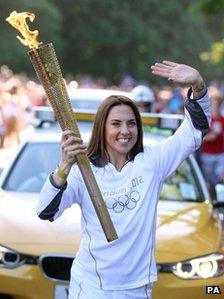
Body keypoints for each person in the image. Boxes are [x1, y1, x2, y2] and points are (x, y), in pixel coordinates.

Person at [37, 61, 210, 299]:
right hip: (91, 287)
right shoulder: (83, 171)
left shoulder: (151, 163)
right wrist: (64, 166)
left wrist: (198, 87)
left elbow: (194, 133)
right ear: (102, 128)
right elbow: (46, 212)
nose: (125, 131)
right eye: (116, 124)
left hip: (137, 288)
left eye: (131, 123)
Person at [200, 88, 224, 200]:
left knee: (221, 176)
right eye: (214, 102)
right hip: (207, 154)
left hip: (220, 154)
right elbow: (200, 138)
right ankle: (212, 200)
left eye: (218, 103)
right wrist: (211, 137)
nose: (216, 105)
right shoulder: (206, 120)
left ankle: (220, 199)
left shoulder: (222, 119)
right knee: (209, 181)